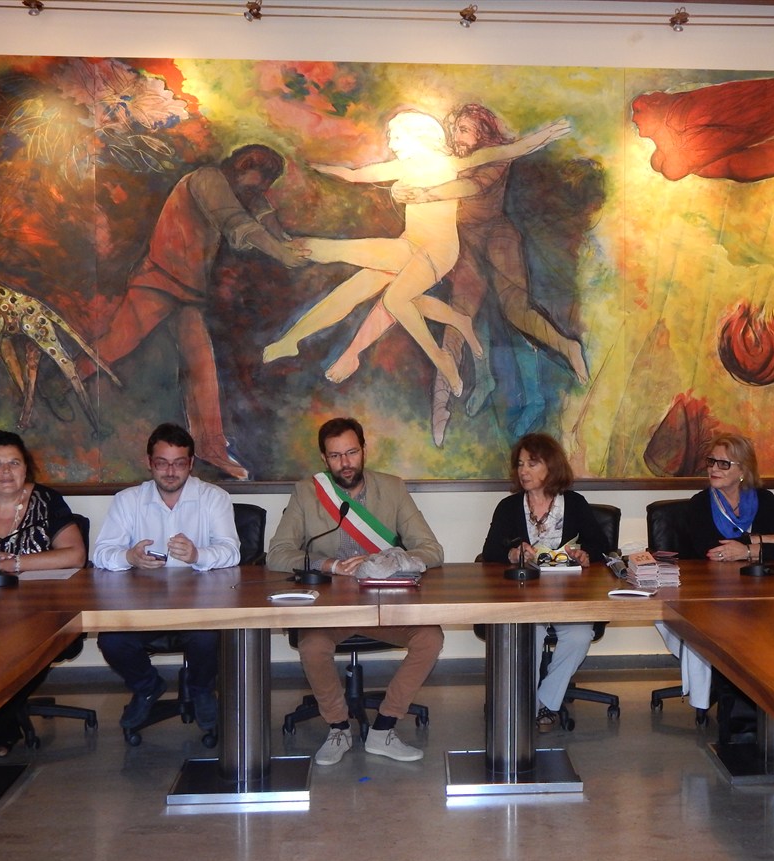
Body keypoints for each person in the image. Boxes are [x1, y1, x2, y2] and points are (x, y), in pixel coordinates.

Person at [261, 111, 570, 395]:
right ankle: (290, 339)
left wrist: (547, 133)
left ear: (418, 136)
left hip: (437, 251)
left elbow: (508, 151)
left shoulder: (449, 164)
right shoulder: (403, 168)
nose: (391, 143)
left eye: (396, 137)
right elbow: (356, 175)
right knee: (351, 284)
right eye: (390, 137)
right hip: (409, 245)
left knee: (395, 300)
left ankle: (441, 359)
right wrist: (321, 168)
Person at [75, 145, 308, 479]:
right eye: (259, 181)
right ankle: (62, 381)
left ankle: (211, 448)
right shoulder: (209, 179)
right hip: (158, 282)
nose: (260, 190)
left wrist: (286, 242)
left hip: (188, 292)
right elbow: (238, 223)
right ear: (242, 167)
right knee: (113, 347)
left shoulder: (242, 189)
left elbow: (262, 214)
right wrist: (282, 254)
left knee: (202, 369)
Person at [266, 417, 444, 765]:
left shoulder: (392, 488)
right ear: (324, 458)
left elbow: (432, 550)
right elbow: (277, 554)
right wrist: (328, 565)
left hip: (385, 605)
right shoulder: (307, 492)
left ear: (364, 450)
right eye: (335, 456)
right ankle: (338, 727)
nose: (345, 463)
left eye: (351, 453)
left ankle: (384, 728)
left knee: (430, 638)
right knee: (312, 645)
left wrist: (394, 560)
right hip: (331, 609)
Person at [93, 423, 241, 734]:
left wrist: (198, 554)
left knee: (209, 637)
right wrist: (129, 557)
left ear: (191, 463)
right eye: (162, 463)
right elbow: (101, 554)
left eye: (179, 463)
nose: (170, 472)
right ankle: (147, 686)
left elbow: (232, 552)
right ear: (149, 462)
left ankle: (201, 690)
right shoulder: (128, 500)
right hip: (142, 608)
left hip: (199, 608)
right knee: (111, 640)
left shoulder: (214, 498)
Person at [0, 430, 86, 762]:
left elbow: (75, 555)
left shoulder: (46, 502)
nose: (6, 472)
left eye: (14, 463)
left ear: (25, 468)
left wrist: (13, 563)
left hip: (38, 612)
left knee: (29, 646)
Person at [655, 433, 774, 713]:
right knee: (726, 632)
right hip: (711, 595)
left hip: (759, 594)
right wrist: (765, 540)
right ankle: (733, 704)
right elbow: (712, 550)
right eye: (711, 462)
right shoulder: (700, 503)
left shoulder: (765, 500)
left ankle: (759, 702)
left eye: (724, 464)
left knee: (770, 633)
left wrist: (745, 550)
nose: (714, 469)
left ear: (743, 470)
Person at [480, 434, 609, 732]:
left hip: (569, 599)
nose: (523, 471)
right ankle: (528, 702)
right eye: (520, 464)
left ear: (551, 466)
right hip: (524, 599)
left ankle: (543, 703)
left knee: (579, 636)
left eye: (532, 464)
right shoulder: (508, 507)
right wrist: (512, 554)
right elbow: (489, 553)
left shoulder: (574, 504)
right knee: (529, 633)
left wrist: (585, 555)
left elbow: (602, 547)